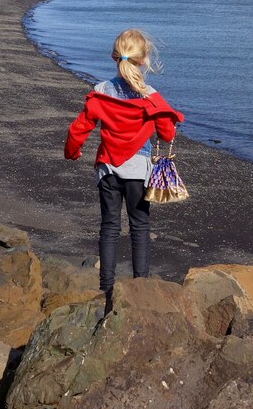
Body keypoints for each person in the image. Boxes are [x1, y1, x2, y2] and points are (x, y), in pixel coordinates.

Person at [65, 29, 183, 315]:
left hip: (108, 169)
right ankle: (140, 287)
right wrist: (159, 131)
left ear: (113, 56)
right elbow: (167, 130)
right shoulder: (150, 97)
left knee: (109, 227)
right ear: (143, 60)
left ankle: (106, 289)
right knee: (139, 227)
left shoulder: (101, 90)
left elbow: (79, 127)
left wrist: (73, 151)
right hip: (137, 171)